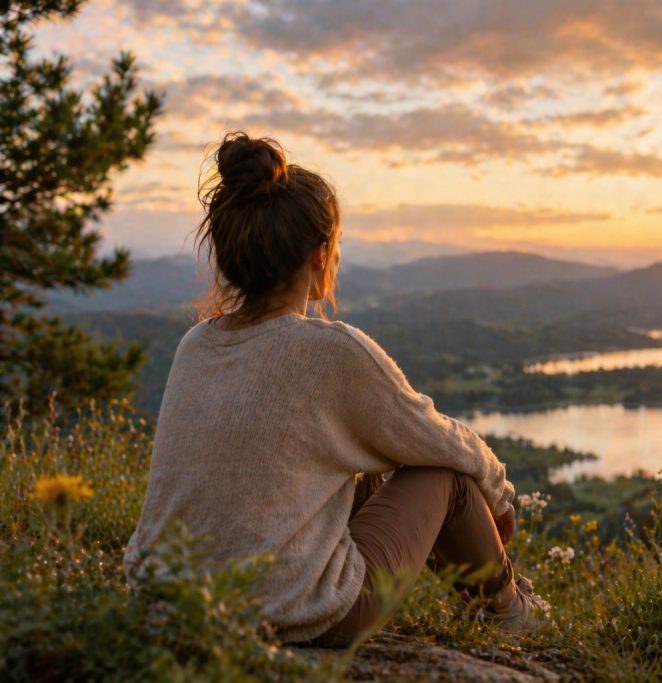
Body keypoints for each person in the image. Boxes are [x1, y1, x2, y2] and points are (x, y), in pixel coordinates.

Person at [123, 131, 549, 647]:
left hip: (168, 606)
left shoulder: (195, 344)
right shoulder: (331, 350)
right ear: (320, 255)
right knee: (448, 476)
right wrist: (499, 499)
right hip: (296, 615)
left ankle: (494, 601)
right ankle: (510, 611)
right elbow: (443, 442)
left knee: (365, 469)